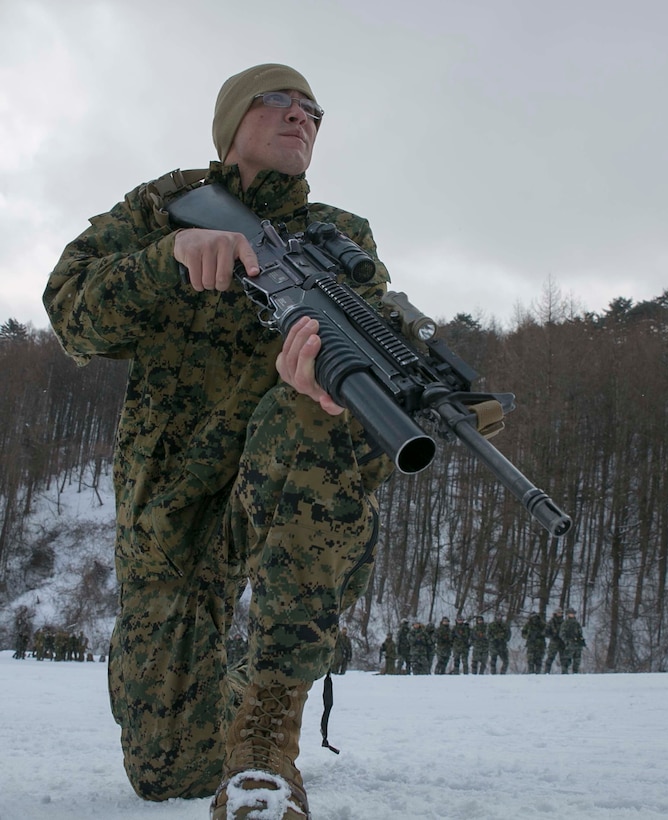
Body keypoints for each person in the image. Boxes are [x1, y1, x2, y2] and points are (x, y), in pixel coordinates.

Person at [44, 63, 395, 820]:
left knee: (317, 421)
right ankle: (230, 696)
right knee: (167, 771)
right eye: (279, 103)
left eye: (312, 110)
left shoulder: (342, 239)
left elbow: (377, 343)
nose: (301, 117)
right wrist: (163, 262)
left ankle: (265, 739)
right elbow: (71, 313)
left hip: (273, 487)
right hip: (168, 511)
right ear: (232, 121)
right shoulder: (164, 207)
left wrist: (329, 382)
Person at [559, 608, 585, 673]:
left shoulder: (577, 623)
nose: (572, 615)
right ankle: (564, 673)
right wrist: (567, 641)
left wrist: (581, 640)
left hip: (577, 644)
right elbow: (562, 634)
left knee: (577, 660)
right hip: (570, 644)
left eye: (573, 613)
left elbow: (580, 633)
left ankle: (575, 673)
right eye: (571, 613)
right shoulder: (565, 623)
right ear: (568, 614)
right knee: (566, 660)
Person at [544, 608, 565, 673]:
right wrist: (552, 636)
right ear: (555, 613)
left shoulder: (564, 622)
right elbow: (545, 632)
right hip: (554, 643)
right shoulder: (551, 622)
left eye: (561, 613)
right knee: (550, 658)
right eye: (558, 613)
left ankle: (565, 674)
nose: (560, 614)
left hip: (562, 642)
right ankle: (546, 673)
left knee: (564, 659)